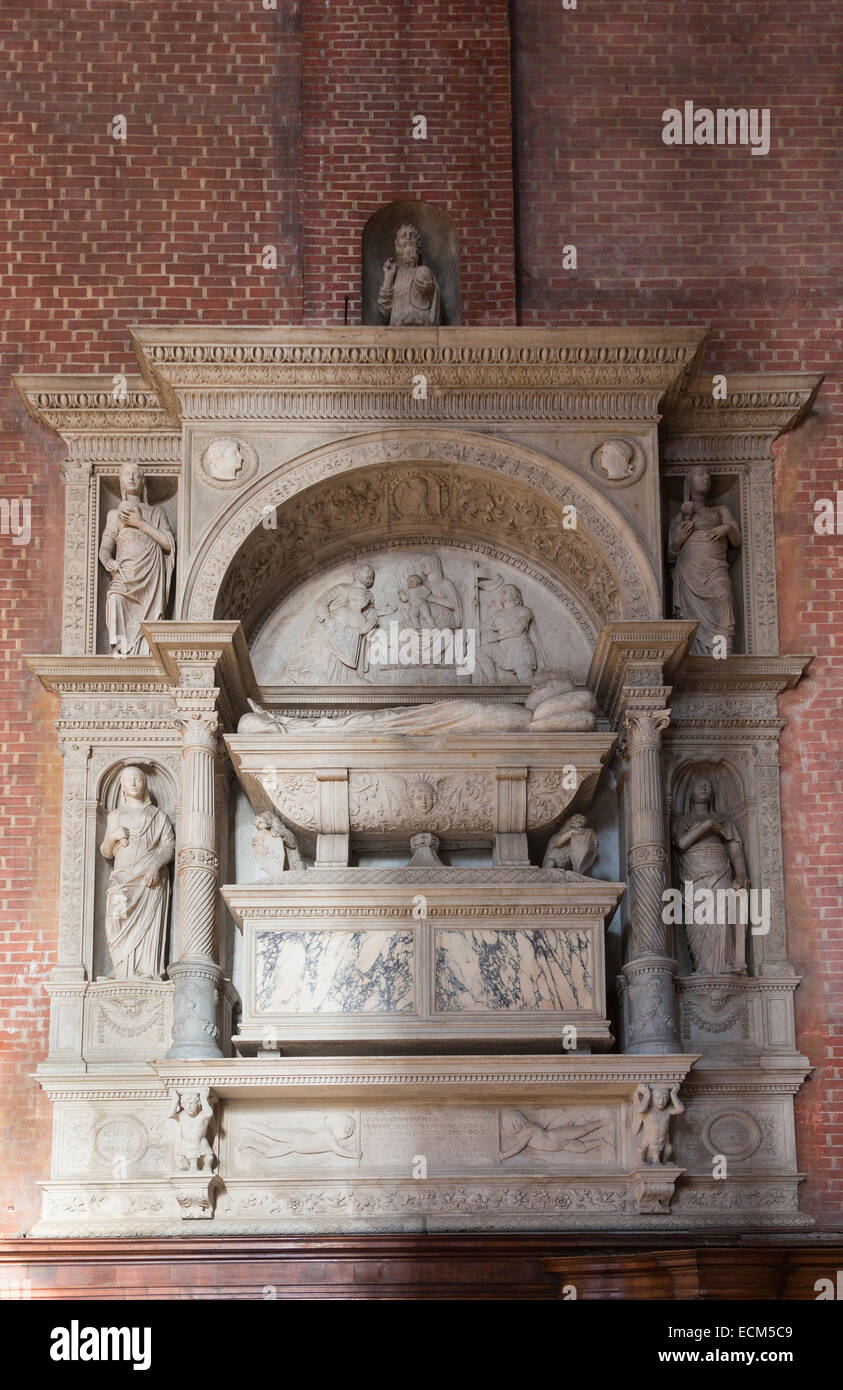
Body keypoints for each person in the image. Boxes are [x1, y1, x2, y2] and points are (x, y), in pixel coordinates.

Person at [99, 765, 174, 979]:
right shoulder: (115, 815)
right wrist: (112, 837)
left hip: (148, 879)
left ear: (145, 783)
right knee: (116, 919)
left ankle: (145, 970)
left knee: (146, 922)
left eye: (138, 779)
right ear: (122, 785)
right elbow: (106, 852)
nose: (133, 783)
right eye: (128, 780)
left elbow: (169, 846)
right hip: (122, 878)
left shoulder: (158, 816)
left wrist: (155, 865)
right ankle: (122, 969)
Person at [99, 462, 175, 657]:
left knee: (149, 619)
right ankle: (122, 650)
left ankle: (144, 650)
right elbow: (106, 547)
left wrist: (140, 524)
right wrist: (108, 561)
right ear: (121, 483)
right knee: (115, 597)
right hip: (125, 571)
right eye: (127, 475)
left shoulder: (156, 514)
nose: (132, 478)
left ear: (143, 482)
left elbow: (167, 543)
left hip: (150, 575)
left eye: (136, 475)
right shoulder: (114, 515)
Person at [668, 466, 742, 655]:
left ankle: (724, 652)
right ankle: (696, 653)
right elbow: (671, 555)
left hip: (716, 566)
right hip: (690, 571)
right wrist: (679, 541)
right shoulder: (680, 517)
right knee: (692, 616)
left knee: (722, 595)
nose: (706, 477)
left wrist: (725, 529)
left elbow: (737, 540)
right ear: (689, 482)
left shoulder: (720, 511)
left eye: (708, 474)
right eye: (700, 474)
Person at [377, 224, 442, 326]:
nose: (408, 238)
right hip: (397, 328)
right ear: (397, 244)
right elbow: (385, 310)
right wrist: (388, 277)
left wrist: (431, 290)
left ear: (418, 244)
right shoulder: (394, 273)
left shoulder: (425, 271)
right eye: (404, 236)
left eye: (412, 236)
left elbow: (436, 302)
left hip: (423, 327)